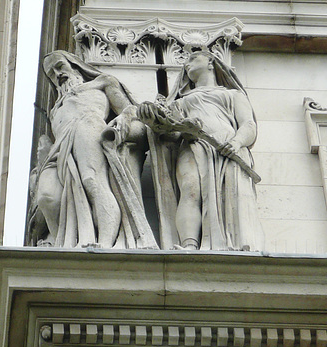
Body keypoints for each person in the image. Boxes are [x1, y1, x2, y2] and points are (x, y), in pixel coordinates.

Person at [139, 49, 264, 251]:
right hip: (192, 146)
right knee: (190, 190)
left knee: (229, 194)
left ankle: (233, 242)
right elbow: (170, 136)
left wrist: (236, 142)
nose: (186, 65)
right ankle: (189, 244)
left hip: (227, 149)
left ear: (210, 62)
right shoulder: (179, 102)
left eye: (192, 58)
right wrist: (155, 123)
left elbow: (248, 125)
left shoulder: (231, 94)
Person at [33, 50, 154, 249]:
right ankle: (60, 243)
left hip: (89, 128)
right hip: (60, 146)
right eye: (51, 74)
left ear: (75, 65)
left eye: (60, 66)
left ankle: (105, 243)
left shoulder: (102, 82)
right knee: (47, 196)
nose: (58, 75)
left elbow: (130, 109)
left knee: (93, 182)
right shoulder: (56, 108)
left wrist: (124, 119)